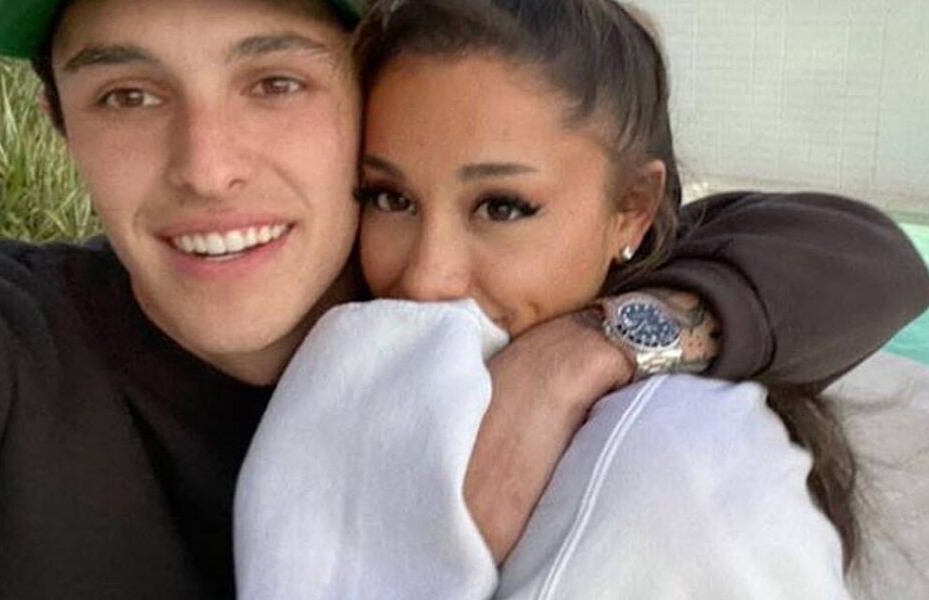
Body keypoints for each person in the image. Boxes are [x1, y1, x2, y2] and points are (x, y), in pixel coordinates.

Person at [0, 0, 925, 598]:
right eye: (128, 96)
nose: (209, 167)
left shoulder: (616, 403)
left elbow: (862, 253)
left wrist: (583, 352)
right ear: (60, 122)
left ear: (358, 96)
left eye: (274, 82)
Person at [232, 0, 924, 598]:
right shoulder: (315, 324)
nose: (427, 277)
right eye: (390, 198)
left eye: (502, 207)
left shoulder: (683, 458)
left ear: (632, 209)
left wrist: (582, 354)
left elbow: (874, 257)